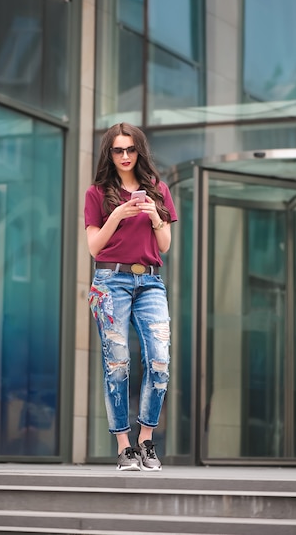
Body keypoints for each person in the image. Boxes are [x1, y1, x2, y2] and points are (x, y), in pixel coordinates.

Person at [84, 122, 178, 471]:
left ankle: (146, 440)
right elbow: (94, 247)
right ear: (109, 153)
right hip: (111, 280)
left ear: (140, 151)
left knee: (159, 361)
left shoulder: (158, 189)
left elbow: (165, 244)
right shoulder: (97, 193)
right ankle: (124, 445)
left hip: (150, 282)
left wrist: (154, 215)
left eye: (131, 149)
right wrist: (118, 216)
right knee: (118, 361)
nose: (125, 156)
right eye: (118, 150)